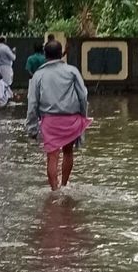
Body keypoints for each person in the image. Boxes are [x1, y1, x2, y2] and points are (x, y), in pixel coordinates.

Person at [26, 40, 93, 191]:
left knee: (52, 156)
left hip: (49, 121)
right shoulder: (72, 71)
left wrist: (32, 127)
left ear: (45, 55)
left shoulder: (38, 75)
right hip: (71, 119)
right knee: (68, 152)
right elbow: (83, 96)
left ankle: (54, 191)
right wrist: (83, 116)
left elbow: (32, 103)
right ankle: (64, 185)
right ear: (61, 53)